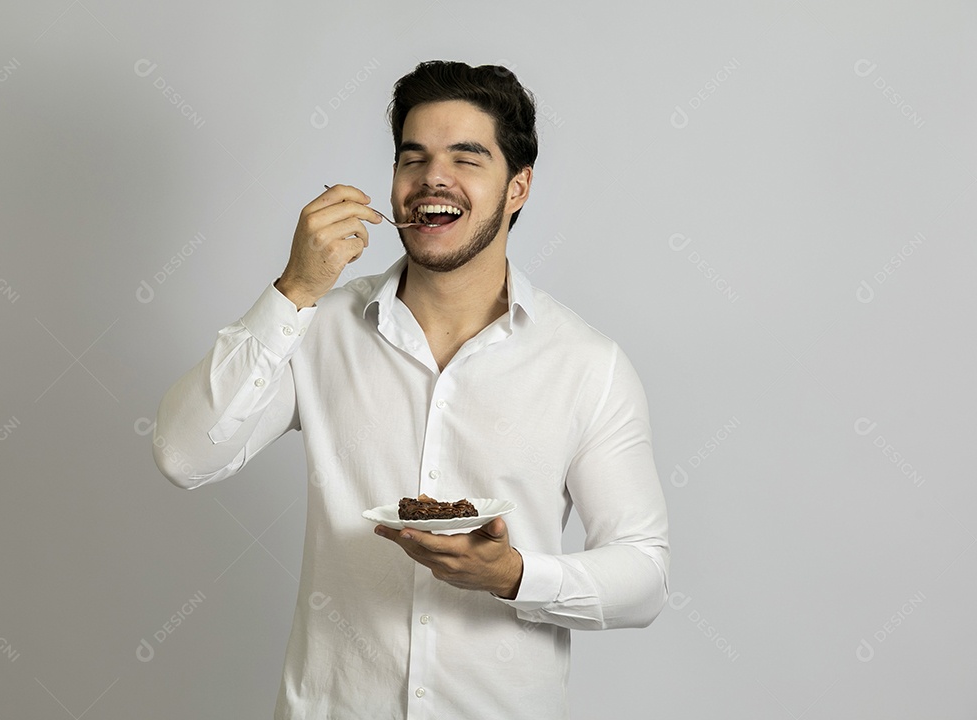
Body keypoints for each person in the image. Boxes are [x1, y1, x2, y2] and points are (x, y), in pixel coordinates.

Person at [153, 60, 670, 719]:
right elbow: (184, 455)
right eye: (412, 157)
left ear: (518, 188)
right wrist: (297, 289)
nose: (433, 177)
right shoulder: (319, 328)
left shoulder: (586, 365)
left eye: (467, 157)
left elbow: (644, 577)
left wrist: (513, 576)